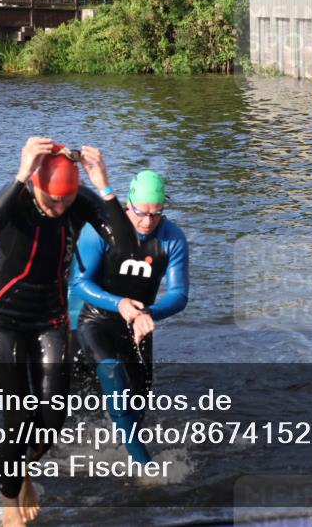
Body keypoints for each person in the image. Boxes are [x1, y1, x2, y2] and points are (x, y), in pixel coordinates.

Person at [0, 137, 136, 527]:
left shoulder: (78, 200)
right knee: (18, 417)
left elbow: (126, 246)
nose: (59, 208)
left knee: (52, 419)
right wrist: (21, 172)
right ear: (34, 184)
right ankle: (9, 507)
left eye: (66, 201)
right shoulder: (18, 197)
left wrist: (105, 187)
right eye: (52, 200)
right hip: (1, 318)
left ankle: (22, 469)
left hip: (50, 318)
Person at [70, 170, 189, 464]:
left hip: (137, 327)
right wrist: (119, 302)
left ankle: (117, 447)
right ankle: (144, 467)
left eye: (157, 213)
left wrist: (148, 313)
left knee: (138, 404)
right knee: (113, 391)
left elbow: (179, 294)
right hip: (95, 321)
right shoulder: (101, 230)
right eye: (141, 213)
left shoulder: (172, 239)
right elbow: (79, 283)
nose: (148, 222)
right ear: (128, 205)